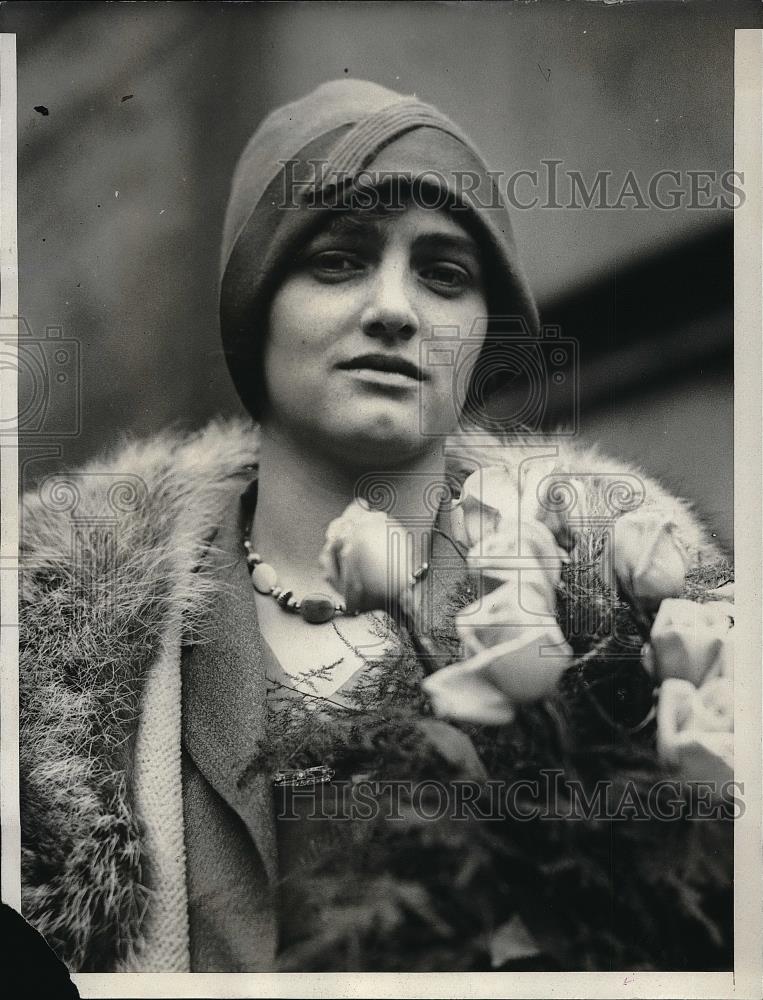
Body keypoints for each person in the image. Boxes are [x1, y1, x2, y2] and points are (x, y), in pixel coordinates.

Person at [19, 79, 730, 973]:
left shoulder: (626, 625)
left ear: (482, 332)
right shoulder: (48, 648)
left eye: (444, 274)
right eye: (338, 260)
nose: (394, 309)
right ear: (255, 307)